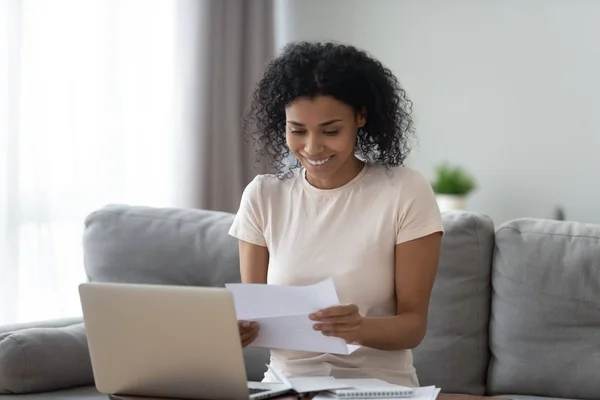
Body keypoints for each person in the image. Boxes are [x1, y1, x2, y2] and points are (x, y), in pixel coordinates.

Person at [228, 41, 443, 387]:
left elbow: (413, 326)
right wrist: (235, 332)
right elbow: (254, 316)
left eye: (330, 131)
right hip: (285, 387)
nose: (312, 148)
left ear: (360, 117)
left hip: (380, 387)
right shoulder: (263, 196)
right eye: (297, 130)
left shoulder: (404, 191)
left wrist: (360, 328)